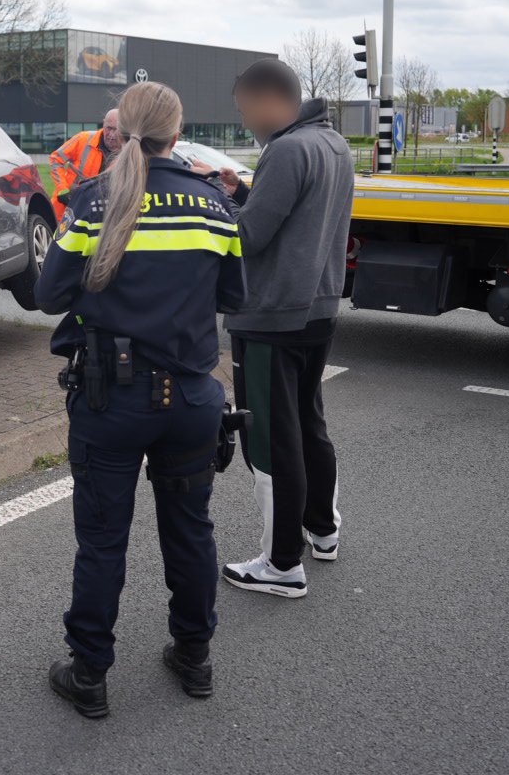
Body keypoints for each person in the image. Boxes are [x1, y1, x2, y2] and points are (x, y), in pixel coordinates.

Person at [36, 81, 247, 719]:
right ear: (177, 136)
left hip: (111, 402)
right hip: (189, 400)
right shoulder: (215, 208)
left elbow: (48, 294)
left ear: (118, 134)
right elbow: (233, 299)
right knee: (191, 532)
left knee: (102, 540)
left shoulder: (93, 202)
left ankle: (90, 674)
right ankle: (194, 656)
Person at [197, 59, 353, 599]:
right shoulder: (330, 142)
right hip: (317, 308)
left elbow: (250, 238)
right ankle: (323, 531)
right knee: (309, 423)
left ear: (269, 100)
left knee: (269, 440)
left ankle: (282, 563)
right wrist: (242, 189)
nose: (246, 125)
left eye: (245, 112)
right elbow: (293, 218)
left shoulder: (286, 150)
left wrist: (212, 209)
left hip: (271, 315)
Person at [47, 109, 122, 222]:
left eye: (116, 129)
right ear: (103, 123)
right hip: (68, 207)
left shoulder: (130, 148)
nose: (111, 135)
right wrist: (62, 188)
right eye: (109, 128)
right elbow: (56, 158)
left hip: (106, 213)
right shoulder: (83, 139)